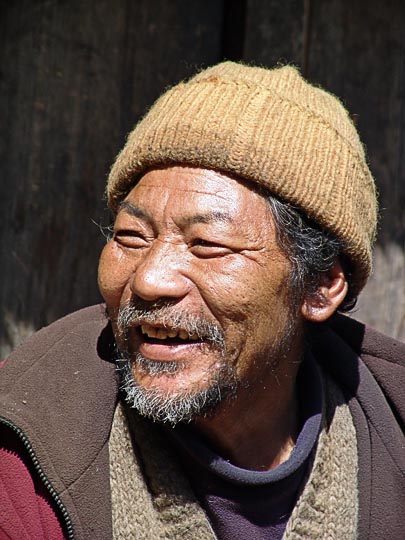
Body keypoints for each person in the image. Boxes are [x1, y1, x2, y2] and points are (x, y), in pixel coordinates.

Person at [0, 61, 404, 540]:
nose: (149, 279)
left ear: (320, 286)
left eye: (207, 245)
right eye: (131, 236)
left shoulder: (392, 437)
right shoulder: (28, 457)